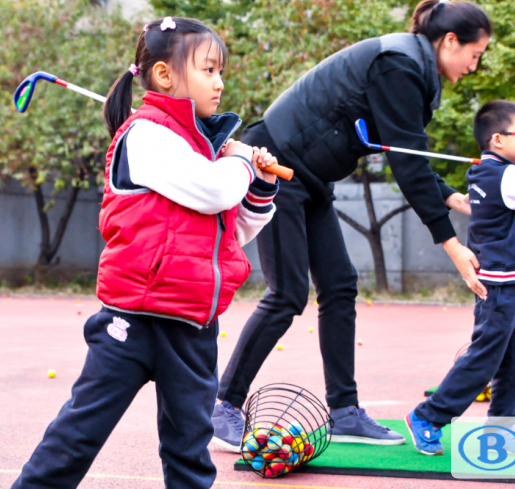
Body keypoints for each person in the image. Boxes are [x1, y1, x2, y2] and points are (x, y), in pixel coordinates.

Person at [211, 0, 493, 450]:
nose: (473, 68)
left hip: (311, 178)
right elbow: (406, 162)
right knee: (286, 294)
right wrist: (452, 245)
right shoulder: (399, 64)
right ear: (450, 41)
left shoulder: (411, 68)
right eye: (474, 56)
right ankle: (222, 404)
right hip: (277, 166)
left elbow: (409, 151)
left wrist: (453, 197)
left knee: (340, 285)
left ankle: (344, 412)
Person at [11, 17, 279, 489]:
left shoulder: (201, 150)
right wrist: (238, 160)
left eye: (221, 72)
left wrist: (260, 189)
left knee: (189, 454)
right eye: (209, 70)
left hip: (193, 328)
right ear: (164, 76)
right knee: (77, 436)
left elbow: (228, 230)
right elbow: (214, 191)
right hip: (132, 322)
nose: (220, 82)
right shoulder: (146, 135)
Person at [405, 100, 515, 456]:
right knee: (485, 358)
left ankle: (502, 427)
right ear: (498, 140)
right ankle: (427, 417)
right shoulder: (508, 175)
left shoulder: (496, 174)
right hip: (502, 279)